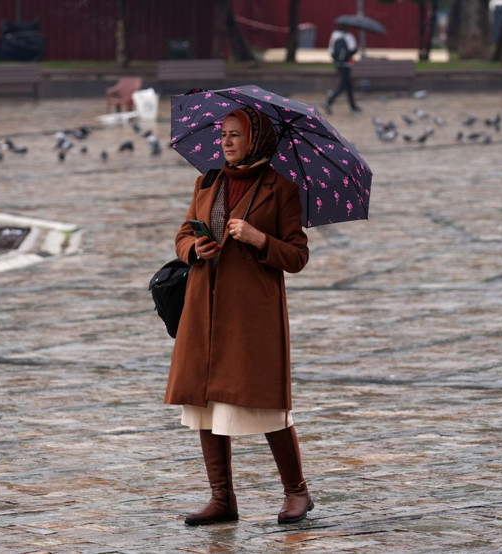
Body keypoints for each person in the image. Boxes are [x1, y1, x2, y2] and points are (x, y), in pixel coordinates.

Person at [165, 106, 312, 525]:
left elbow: (297, 256)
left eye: (235, 135)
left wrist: (259, 239)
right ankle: (222, 498)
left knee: (265, 402)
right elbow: (183, 233)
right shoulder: (207, 181)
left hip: (251, 314)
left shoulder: (281, 189)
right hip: (204, 307)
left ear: (256, 139)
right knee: (204, 400)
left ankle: (297, 491)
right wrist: (195, 249)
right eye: (223, 135)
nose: (226, 142)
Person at [324, 25, 360, 114]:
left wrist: (337, 59)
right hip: (346, 64)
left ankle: (353, 106)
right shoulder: (349, 36)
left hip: (338, 64)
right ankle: (329, 102)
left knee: (349, 85)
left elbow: (331, 51)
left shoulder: (334, 35)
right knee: (343, 85)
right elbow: (353, 49)